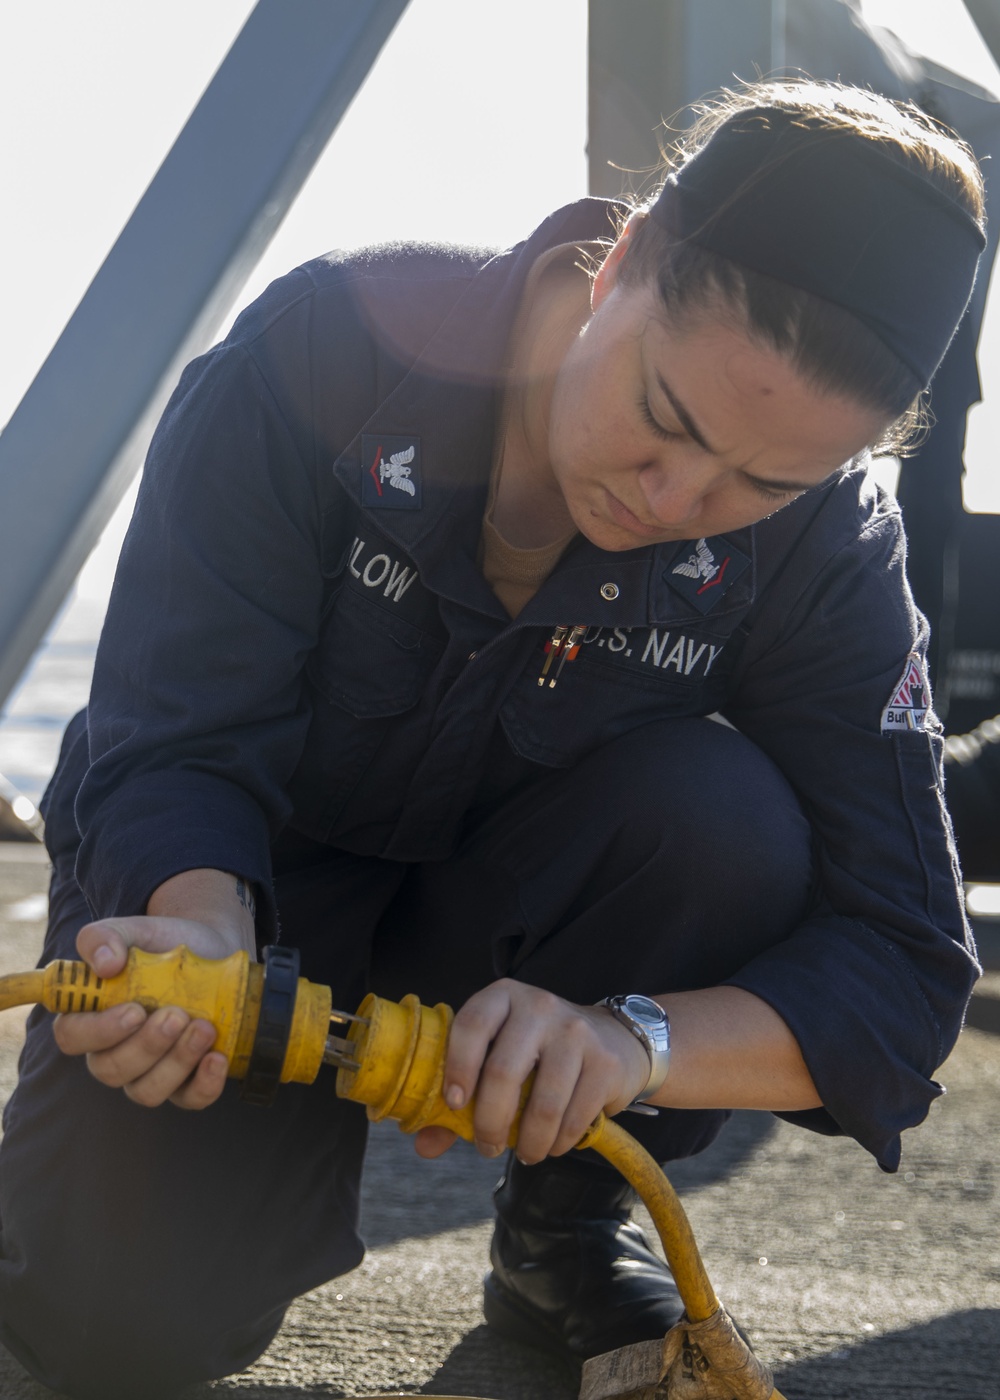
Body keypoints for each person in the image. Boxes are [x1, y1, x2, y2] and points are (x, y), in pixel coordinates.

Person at [0, 79, 985, 1399]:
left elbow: (906, 955)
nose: (680, 501)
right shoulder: (319, 353)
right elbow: (173, 739)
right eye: (669, 418)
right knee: (118, 1336)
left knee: (722, 817)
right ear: (623, 256)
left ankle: (561, 1232)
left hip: (535, 933)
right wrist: (195, 935)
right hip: (238, 921)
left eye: (766, 485)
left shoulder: (830, 549)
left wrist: (632, 1043)